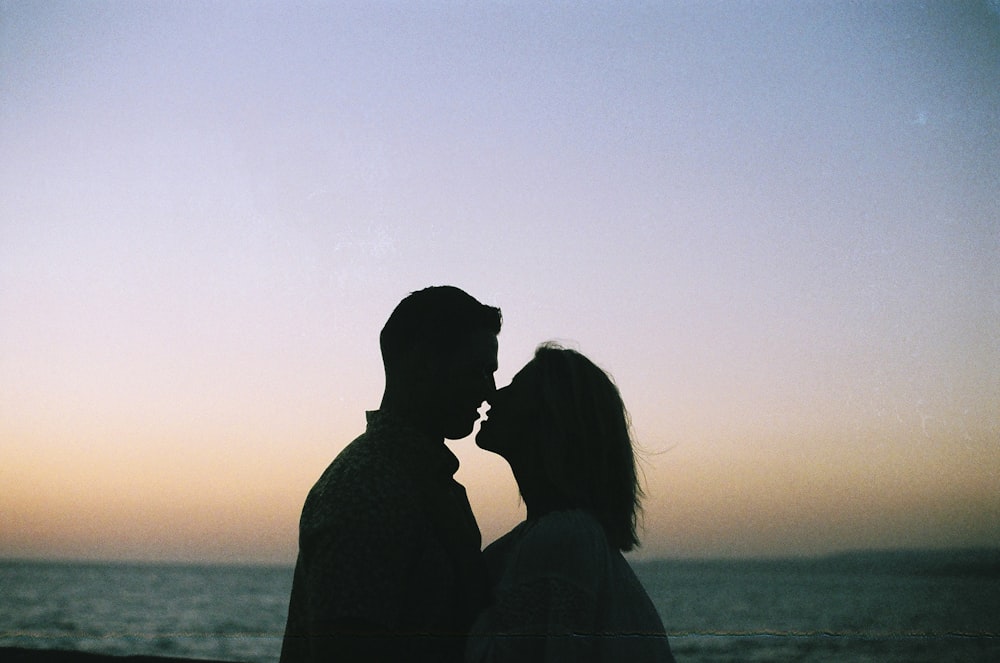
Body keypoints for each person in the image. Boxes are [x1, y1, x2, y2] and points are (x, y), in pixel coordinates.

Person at [280, 285, 502, 663]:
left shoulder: (417, 481)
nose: (490, 391)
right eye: (478, 371)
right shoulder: (368, 488)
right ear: (424, 363)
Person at [467, 343, 675, 663]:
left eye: (517, 388)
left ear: (551, 418)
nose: (493, 396)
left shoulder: (563, 538)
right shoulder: (555, 538)